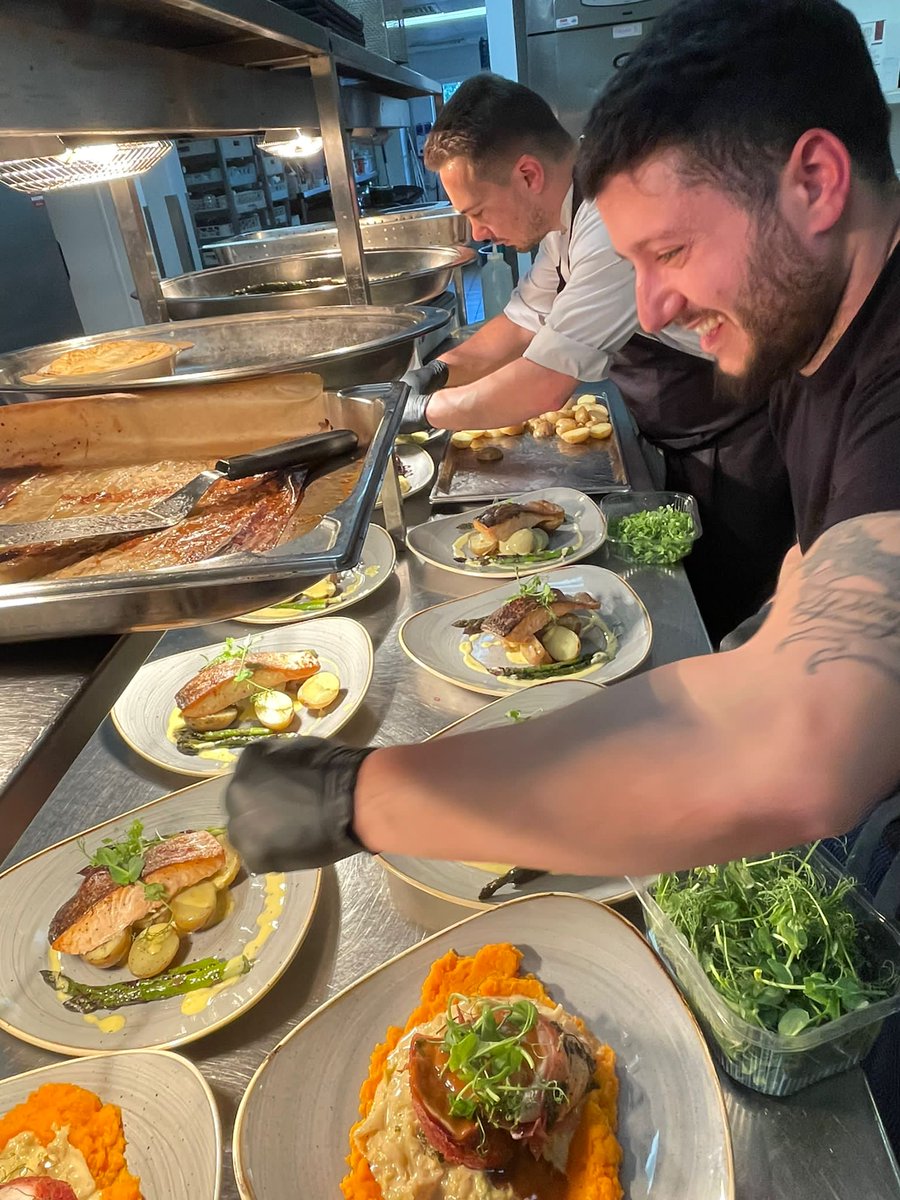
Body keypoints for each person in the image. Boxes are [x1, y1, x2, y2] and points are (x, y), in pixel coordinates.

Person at [226, 0, 900, 881]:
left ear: (813, 180)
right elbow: (787, 629)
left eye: (673, 251)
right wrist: (577, 784)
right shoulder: (827, 345)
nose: (653, 309)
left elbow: (801, 749)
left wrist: (353, 797)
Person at [402, 74, 794, 642]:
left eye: (479, 209)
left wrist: (422, 413)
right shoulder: (565, 224)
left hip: (743, 439)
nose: (477, 231)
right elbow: (515, 326)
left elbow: (543, 386)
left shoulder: (608, 223)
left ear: (528, 174)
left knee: (735, 611)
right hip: (687, 432)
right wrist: (432, 371)